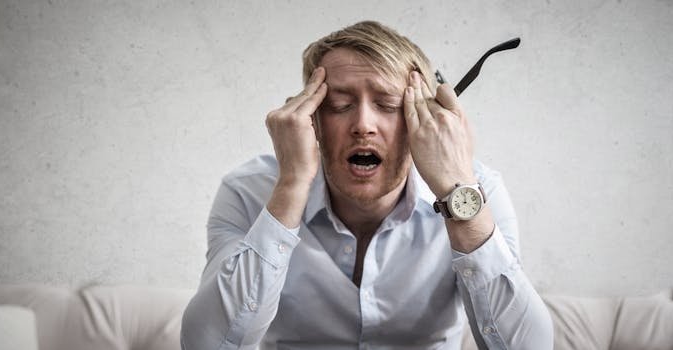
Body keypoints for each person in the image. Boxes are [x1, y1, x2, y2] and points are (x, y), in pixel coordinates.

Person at [181, 20, 553, 350]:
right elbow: (206, 344)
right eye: (339, 105)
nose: (363, 125)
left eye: (389, 104)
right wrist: (291, 185)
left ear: (425, 119)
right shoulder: (247, 192)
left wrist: (457, 193)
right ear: (309, 119)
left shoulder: (478, 191)